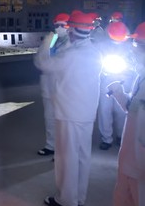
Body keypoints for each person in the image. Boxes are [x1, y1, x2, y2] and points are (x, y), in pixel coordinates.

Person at [35, 11, 103, 206]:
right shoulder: (95, 52)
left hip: (68, 114)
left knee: (67, 158)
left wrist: (51, 37)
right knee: (82, 157)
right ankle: (79, 197)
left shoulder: (70, 55)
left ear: (72, 30)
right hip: (87, 113)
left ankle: (66, 200)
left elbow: (42, 62)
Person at [109, 22, 145, 206]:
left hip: (140, 166)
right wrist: (117, 90)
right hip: (128, 159)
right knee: (122, 197)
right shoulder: (141, 75)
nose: (133, 51)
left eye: (137, 45)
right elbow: (133, 109)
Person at [35, 12, 71, 156]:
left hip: (64, 87)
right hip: (48, 86)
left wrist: (48, 64)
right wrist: (46, 45)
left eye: (63, 25)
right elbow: (40, 60)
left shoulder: (72, 42)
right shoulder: (51, 39)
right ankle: (51, 146)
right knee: (49, 118)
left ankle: (63, 151)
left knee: (64, 120)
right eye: (57, 25)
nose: (60, 28)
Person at [97, 21, 133, 150]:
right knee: (104, 110)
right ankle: (106, 138)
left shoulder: (130, 46)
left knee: (122, 110)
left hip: (124, 79)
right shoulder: (101, 46)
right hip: (106, 79)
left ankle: (121, 136)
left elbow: (135, 63)